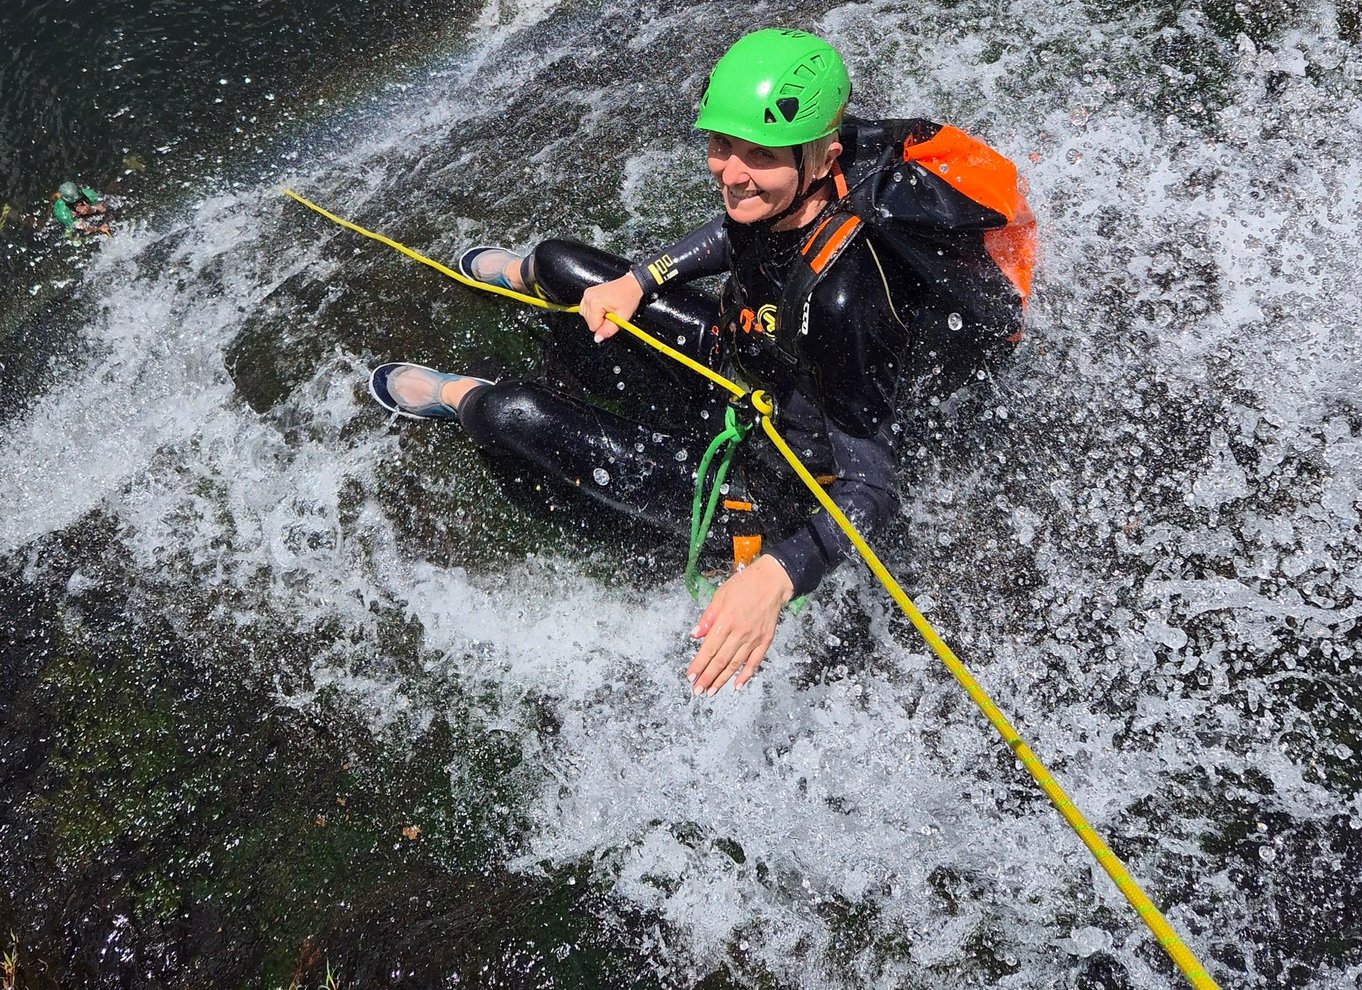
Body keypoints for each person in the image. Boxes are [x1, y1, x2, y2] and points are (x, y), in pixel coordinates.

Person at [368, 28, 1035, 697]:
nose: (731, 171)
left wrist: (778, 574)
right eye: (721, 145)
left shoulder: (841, 302)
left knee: (509, 411)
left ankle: (460, 398)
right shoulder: (816, 168)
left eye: (757, 156)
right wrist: (640, 281)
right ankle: (528, 274)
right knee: (558, 261)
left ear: (821, 156)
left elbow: (871, 488)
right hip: (753, 353)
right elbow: (738, 227)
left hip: (772, 471)